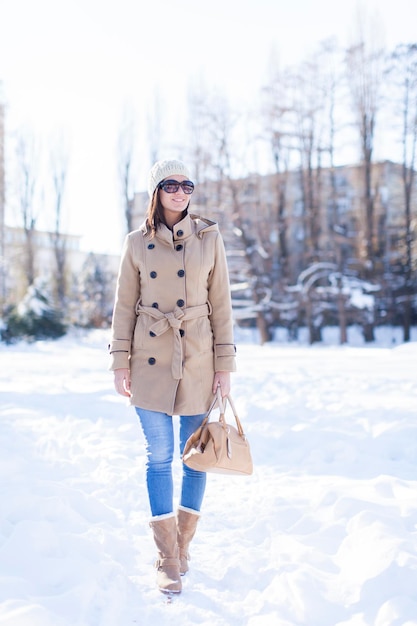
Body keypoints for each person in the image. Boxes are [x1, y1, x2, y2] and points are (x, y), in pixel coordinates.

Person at [109, 159, 236, 594]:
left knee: (195, 456)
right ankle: (165, 557)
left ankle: (182, 548)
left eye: (188, 185)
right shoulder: (135, 243)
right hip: (150, 356)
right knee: (159, 454)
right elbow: (124, 305)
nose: (181, 192)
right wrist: (119, 361)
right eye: (172, 185)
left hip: (199, 357)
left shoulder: (209, 236)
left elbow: (222, 305)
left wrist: (225, 366)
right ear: (156, 192)